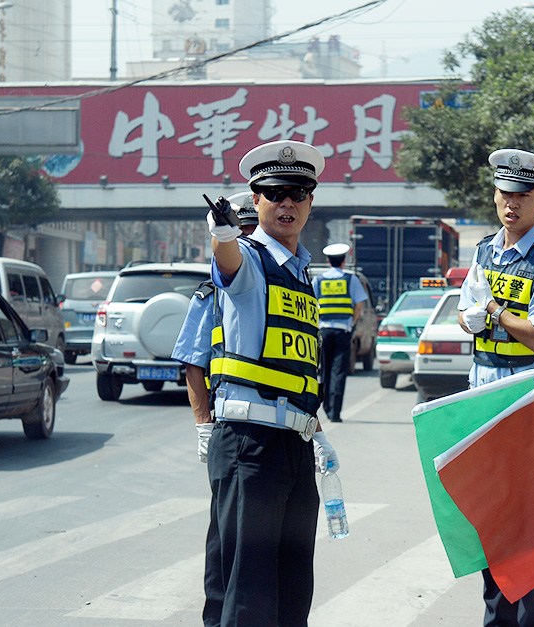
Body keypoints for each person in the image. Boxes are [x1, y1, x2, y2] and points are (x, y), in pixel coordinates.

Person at [202, 140, 340, 626]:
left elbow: (297, 367)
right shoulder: (248, 259)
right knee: (247, 588)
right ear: (255, 200)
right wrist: (221, 236)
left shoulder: (302, 273)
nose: (287, 203)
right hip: (250, 445)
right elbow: (227, 261)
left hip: (294, 446)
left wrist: (316, 432)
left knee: (292, 585)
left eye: (298, 192)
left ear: (311, 201)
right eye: (275, 192)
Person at [457, 147, 534, 627]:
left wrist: (497, 312)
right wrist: (473, 317)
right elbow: (466, 316)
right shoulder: (482, 250)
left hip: (528, 401)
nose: (511, 203)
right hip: (482, 402)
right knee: (492, 524)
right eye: (505, 193)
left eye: (523, 195)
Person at [173, 192, 257, 463]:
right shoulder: (212, 296)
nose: (247, 243)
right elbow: (194, 362)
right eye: (240, 234)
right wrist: (204, 427)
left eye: (255, 234)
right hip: (230, 423)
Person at [312, 242, 368, 422]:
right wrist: (352, 322)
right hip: (343, 331)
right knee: (339, 371)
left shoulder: (319, 280)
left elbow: (311, 303)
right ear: (344, 261)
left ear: (328, 261)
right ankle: (335, 412)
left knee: (324, 371)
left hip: (324, 330)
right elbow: (359, 305)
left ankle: (326, 407)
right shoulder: (351, 279)